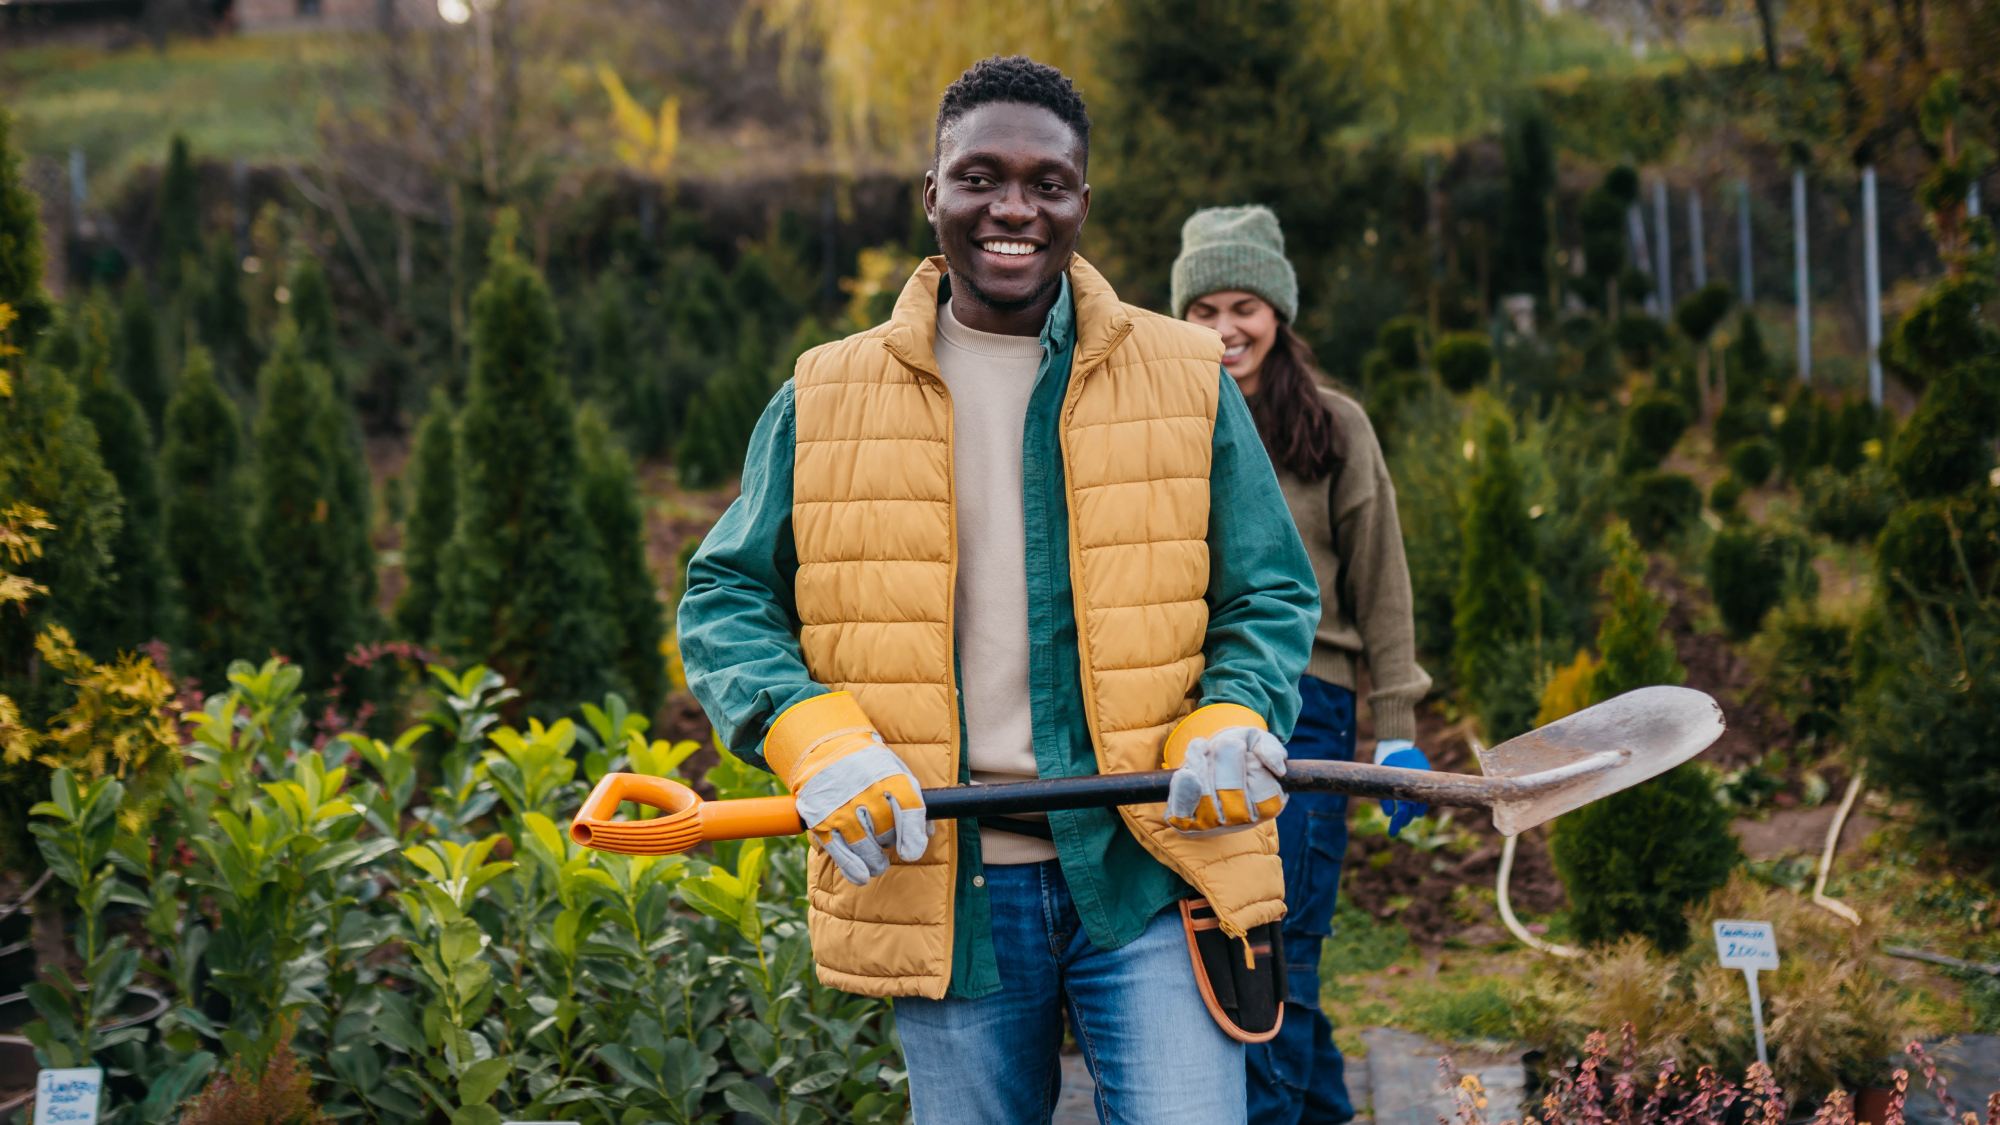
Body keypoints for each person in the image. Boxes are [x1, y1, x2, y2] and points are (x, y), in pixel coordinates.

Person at [677, 58, 1320, 1124]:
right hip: (944, 878)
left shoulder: (1181, 375)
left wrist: (1233, 712)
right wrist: (816, 744)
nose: (1012, 208)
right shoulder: (825, 394)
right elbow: (726, 600)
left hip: (1153, 862)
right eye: (979, 178)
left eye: (1046, 182)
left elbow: (1266, 594)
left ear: (1080, 201)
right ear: (931, 194)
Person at [1173, 205, 1435, 1125]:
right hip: (1190, 718)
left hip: (1308, 711)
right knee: (1228, 950)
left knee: (1275, 954)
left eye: (1243, 305)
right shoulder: (1160, 425)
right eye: (1202, 309)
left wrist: (1398, 732)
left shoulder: (1332, 429)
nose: (1224, 329)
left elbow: (1383, 586)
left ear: (1278, 312)